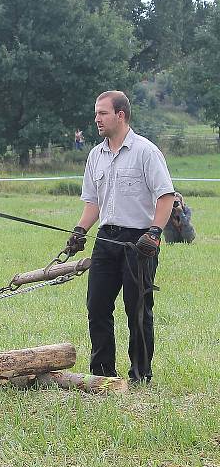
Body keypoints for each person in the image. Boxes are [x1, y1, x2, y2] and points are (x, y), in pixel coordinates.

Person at [65, 90, 175, 383]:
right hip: (106, 239)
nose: (96, 119)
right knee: (97, 307)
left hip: (139, 243)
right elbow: (94, 202)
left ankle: (140, 375)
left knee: (137, 310)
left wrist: (154, 234)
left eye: (102, 113)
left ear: (120, 115)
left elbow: (165, 197)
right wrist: (79, 231)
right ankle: (102, 374)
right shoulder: (95, 155)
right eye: (96, 113)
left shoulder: (146, 152)